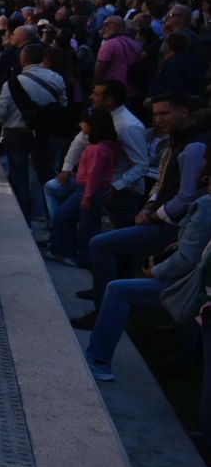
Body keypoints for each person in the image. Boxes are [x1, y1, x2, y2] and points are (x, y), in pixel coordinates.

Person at [74, 92, 207, 327]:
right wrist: (148, 207)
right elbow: (162, 181)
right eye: (155, 115)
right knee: (118, 249)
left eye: (165, 113)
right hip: (162, 219)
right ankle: (107, 292)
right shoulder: (175, 140)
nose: (158, 120)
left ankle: (102, 306)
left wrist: (155, 215)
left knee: (101, 244)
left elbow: (187, 196)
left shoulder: (194, 146)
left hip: (176, 227)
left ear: (185, 111)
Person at [84, 170, 210, 381]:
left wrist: (155, 271)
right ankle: (185, 360)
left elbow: (187, 259)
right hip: (199, 287)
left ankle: (98, 361)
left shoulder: (206, 204)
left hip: (194, 286)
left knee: (117, 290)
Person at [44, 81, 150, 248]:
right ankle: (62, 238)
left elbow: (142, 164)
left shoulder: (129, 126)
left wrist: (117, 185)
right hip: (90, 182)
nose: (91, 97)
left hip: (116, 187)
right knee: (53, 188)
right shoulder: (97, 116)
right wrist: (66, 169)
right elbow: (78, 142)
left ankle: (73, 246)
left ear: (109, 100)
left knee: (92, 226)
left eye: (96, 94)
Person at [0, 43, 68, 224]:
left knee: (20, 176)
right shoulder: (57, 79)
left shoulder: (13, 83)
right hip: (45, 134)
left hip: (16, 133)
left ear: (23, 59)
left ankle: (24, 219)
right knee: (44, 174)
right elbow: (62, 105)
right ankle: (48, 218)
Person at [43, 109, 122, 269]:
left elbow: (94, 175)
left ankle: (85, 258)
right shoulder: (102, 145)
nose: (81, 125)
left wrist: (87, 196)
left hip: (91, 190)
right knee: (64, 216)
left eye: (84, 122)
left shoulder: (97, 149)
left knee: (88, 226)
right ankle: (63, 250)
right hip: (85, 188)